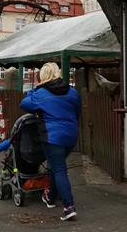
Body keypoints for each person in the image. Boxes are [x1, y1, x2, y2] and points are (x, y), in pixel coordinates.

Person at [18, 62, 81, 221]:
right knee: (55, 166)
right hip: (71, 135)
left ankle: (69, 207)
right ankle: (50, 197)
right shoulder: (72, 92)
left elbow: (25, 104)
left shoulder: (40, 94)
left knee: (59, 169)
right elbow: (77, 111)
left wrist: (35, 89)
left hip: (52, 137)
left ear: (43, 76)